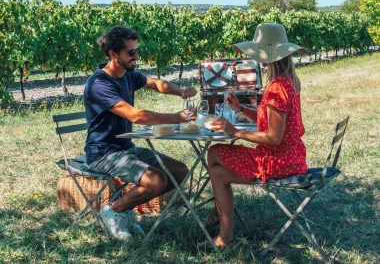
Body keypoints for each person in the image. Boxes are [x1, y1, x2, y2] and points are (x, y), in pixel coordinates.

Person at [84, 26, 197, 240]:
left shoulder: (128, 74)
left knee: (180, 171)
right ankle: (115, 210)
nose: (136, 56)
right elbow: (135, 116)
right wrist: (175, 117)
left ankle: (126, 208)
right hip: (104, 153)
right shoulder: (99, 84)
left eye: (137, 51)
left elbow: (157, 84)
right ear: (113, 54)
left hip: (127, 148)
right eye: (131, 52)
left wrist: (179, 91)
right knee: (156, 181)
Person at [206, 22, 308, 247]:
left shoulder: (277, 88)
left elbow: (273, 137)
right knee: (213, 154)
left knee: (216, 171)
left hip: (277, 162)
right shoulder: (288, 82)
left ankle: (226, 236)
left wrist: (236, 132)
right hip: (291, 157)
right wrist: (241, 110)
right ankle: (219, 213)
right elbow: (272, 122)